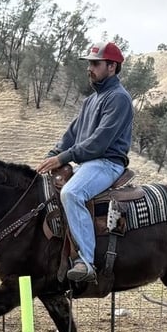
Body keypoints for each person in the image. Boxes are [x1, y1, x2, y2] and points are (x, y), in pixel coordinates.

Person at [36, 41, 134, 283]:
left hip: (107, 163)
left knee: (71, 193)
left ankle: (86, 261)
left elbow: (99, 142)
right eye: (89, 63)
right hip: (88, 164)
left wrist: (64, 157)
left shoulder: (119, 98)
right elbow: (72, 135)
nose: (89, 68)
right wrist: (52, 155)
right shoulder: (92, 100)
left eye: (95, 64)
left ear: (112, 66)